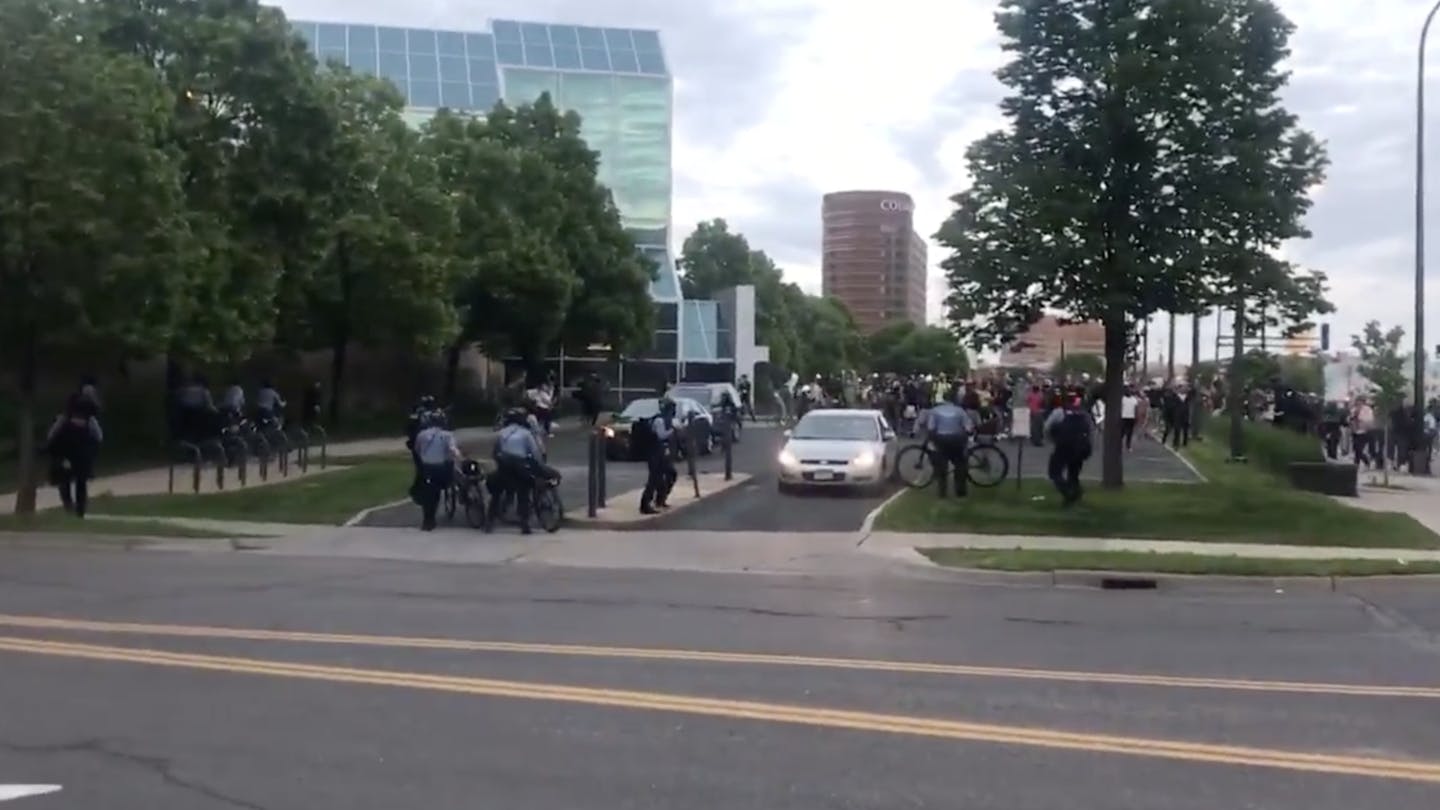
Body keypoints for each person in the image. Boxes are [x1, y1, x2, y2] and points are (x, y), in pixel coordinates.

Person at [46, 395, 104, 518]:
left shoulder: (63, 420)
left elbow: (51, 436)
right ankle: (79, 509)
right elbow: (98, 437)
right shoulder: (90, 421)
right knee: (79, 483)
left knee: (66, 481)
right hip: (79, 455)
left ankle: (70, 506)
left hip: (68, 455)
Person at [489, 407, 544, 534]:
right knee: (523, 491)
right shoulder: (526, 433)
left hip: (504, 465)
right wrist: (539, 465)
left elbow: (495, 452)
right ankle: (524, 524)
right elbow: (535, 452)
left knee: (497, 492)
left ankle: (489, 521)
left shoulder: (502, 433)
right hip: (520, 465)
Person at [413, 411, 462, 531]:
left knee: (429, 493)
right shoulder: (447, 435)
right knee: (453, 469)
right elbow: (452, 449)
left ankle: (428, 521)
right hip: (443, 469)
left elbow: (417, 450)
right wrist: (458, 456)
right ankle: (460, 491)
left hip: (428, 468)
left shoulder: (421, 435)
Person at [924, 388, 974, 499]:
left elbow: (931, 427)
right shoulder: (960, 411)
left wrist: (932, 439)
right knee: (960, 464)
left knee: (942, 466)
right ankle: (960, 492)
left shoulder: (935, 410)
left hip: (941, 439)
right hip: (957, 439)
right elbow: (968, 427)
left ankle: (942, 492)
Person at [1045, 391, 1094, 506]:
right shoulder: (1084, 414)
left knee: (1054, 472)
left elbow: (1047, 428)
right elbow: (1091, 430)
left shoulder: (1059, 412)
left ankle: (1068, 493)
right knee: (1073, 474)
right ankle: (1076, 495)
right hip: (1079, 448)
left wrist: (1053, 440)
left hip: (1062, 446)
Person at [639, 398, 679, 514]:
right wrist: (673, 431)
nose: (673, 412)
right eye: (672, 409)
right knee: (654, 479)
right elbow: (661, 435)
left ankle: (660, 499)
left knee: (670, 474)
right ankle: (645, 504)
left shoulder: (668, 420)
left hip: (662, 453)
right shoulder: (659, 421)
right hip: (655, 453)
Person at [1120, 387, 1140, 451]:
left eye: (1130, 392)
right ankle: (1120, 445)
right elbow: (1120, 408)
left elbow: (1136, 409)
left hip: (1131, 417)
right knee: (1121, 433)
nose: (1129, 393)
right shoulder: (1122, 399)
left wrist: (1136, 417)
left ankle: (1128, 446)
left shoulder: (1134, 400)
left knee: (1130, 433)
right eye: (1127, 391)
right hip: (1123, 417)